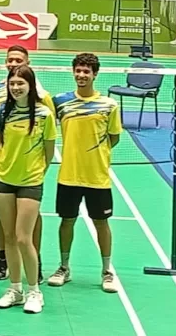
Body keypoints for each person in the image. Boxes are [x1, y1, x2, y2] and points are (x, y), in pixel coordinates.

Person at [48, 53, 121, 294]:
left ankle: (107, 271)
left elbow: (114, 137)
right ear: (73, 72)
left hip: (97, 176)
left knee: (101, 223)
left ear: (95, 74)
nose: (81, 75)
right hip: (69, 174)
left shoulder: (109, 105)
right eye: (78, 70)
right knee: (67, 220)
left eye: (86, 71)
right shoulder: (61, 102)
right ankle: (64, 267)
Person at [0, 65, 55, 313]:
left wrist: (36, 174)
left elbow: (49, 152)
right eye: (12, 83)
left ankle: (34, 291)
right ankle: (15, 289)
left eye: (21, 83)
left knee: (23, 238)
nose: (16, 87)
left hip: (30, 182)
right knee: (8, 237)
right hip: (4, 179)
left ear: (31, 86)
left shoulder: (44, 115)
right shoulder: (2, 111)